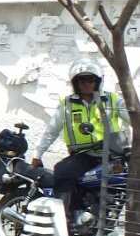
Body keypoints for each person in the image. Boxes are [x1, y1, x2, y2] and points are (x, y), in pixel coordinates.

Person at [31, 58, 131, 223]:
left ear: (97, 81)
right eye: (81, 80)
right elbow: (51, 131)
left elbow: (134, 118)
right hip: (83, 155)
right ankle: (66, 218)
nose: (86, 84)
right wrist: (37, 154)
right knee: (63, 171)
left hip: (111, 154)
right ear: (75, 82)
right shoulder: (67, 104)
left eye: (90, 79)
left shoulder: (112, 100)